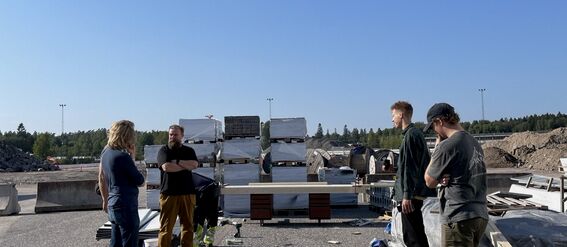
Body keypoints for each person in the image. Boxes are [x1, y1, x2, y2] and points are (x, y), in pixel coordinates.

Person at [423, 103, 488, 247]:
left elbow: (429, 180)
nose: (435, 131)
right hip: (479, 214)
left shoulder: (447, 146)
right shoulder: (474, 142)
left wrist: (437, 147)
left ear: (439, 121)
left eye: (433, 126)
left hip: (458, 216)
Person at [390, 101, 436, 247]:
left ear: (401, 115)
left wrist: (406, 195)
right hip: (414, 193)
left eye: (393, 115)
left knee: (413, 237)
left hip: (411, 195)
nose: (392, 119)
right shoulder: (414, 134)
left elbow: (410, 168)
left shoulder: (410, 135)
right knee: (416, 234)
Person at [98, 120, 145, 247]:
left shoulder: (105, 152)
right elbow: (140, 180)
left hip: (113, 202)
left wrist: (105, 199)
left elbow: (101, 177)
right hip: (126, 204)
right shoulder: (123, 157)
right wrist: (132, 156)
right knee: (130, 242)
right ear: (127, 136)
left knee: (115, 242)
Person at [158, 124, 199, 247]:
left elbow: (194, 165)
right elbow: (166, 167)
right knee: (166, 228)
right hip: (169, 194)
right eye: (171, 134)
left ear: (182, 136)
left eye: (175, 135)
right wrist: (184, 166)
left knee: (188, 227)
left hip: (187, 193)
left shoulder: (189, 151)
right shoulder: (164, 150)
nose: (172, 137)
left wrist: (176, 162)